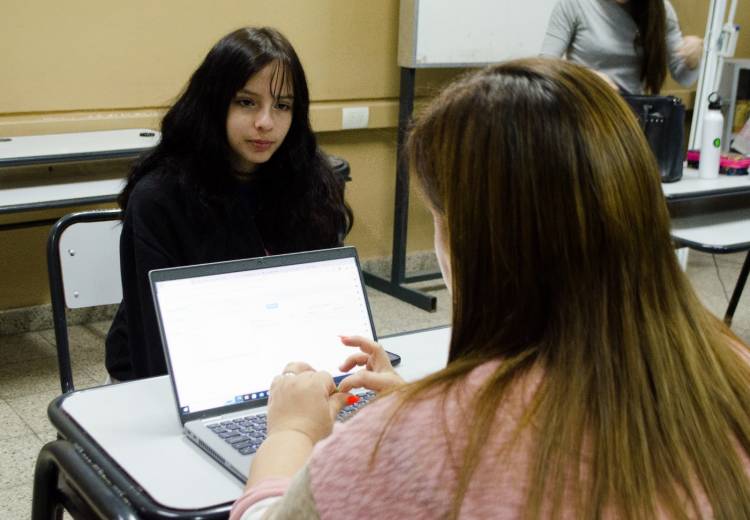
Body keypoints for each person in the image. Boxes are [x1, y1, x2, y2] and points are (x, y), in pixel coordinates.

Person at [229, 59, 750, 519]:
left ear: (465, 239)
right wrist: (424, 397)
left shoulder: (408, 444)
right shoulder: (732, 371)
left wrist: (292, 433)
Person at [105, 27, 352, 381]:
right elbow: (154, 341)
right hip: (175, 374)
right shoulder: (159, 198)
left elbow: (323, 303)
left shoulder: (309, 183)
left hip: (276, 363)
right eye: (246, 102)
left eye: (282, 105)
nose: (265, 122)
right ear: (213, 102)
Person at [541, 0, 703, 94]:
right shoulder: (575, 4)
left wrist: (693, 59)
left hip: (630, 117)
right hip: (585, 109)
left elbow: (684, 79)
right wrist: (587, 77)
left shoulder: (660, 9)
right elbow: (544, 67)